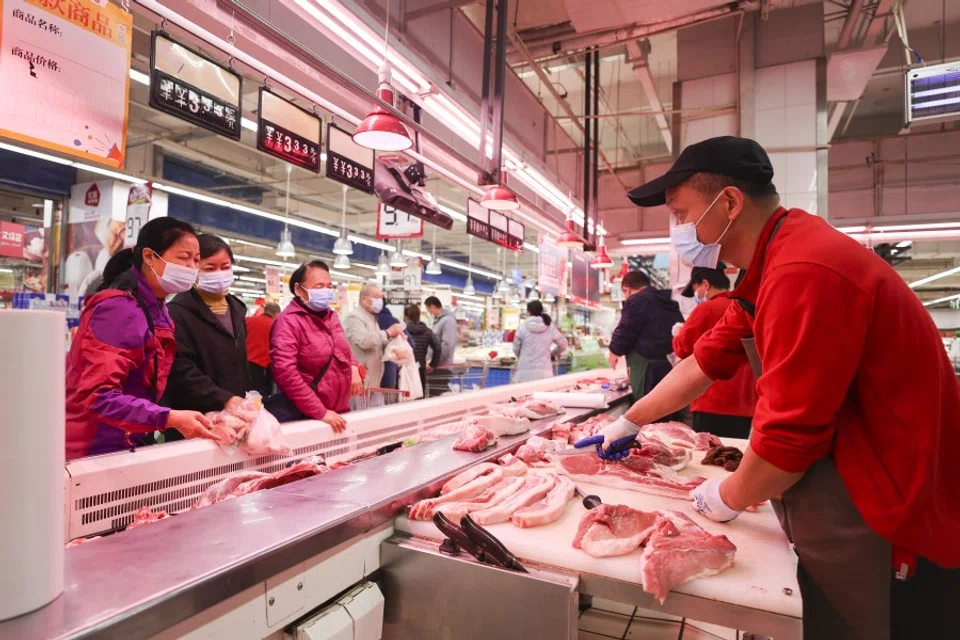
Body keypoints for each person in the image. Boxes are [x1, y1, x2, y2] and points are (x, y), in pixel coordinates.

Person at [584, 135, 960, 638]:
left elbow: (788, 441)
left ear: (730, 202)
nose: (678, 229)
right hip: (853, 485)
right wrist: (632, 419)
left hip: (891, 514)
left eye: (680, 213)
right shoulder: (769, 268)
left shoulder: (803, 269)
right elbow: (704, 362)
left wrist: (727, 497)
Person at [65, 217, 223, 460]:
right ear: (149, 257)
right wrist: (167, 418)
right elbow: (97, 395)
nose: (192, 267)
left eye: (196, 260)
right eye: (183, 258)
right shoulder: (120, 309)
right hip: (91, 449)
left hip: (123, 441)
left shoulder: (156, 308)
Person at [163, 235, 249, 432]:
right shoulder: (176, 313)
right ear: (194, 269)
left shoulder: (237, 308)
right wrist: (223, 398)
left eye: (225, 267)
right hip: (195, 420)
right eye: (210, 268)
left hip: (234, 415)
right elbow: (180, 370)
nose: (219, 274)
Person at [269, 260, 362, 431]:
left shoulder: (331, 316)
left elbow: (342, 348)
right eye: (319, 286)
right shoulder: (287, 322)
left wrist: (353, 366)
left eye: (329, 286)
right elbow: (285, 372)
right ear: (298, 289)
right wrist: (320, 412)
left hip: (336, 411)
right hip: (307, 417)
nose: (326, 291)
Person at [672, 263, 756, 439]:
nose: (697, 295)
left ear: (705, 284)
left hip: (712, 400)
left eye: (695, 289)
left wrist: (678, 332)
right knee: (732, 457)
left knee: (708, 457)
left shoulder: (705, 309)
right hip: (745, 400)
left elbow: (683, 348)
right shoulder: (743, 306)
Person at [608, 270, 683, 404]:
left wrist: (614, 351)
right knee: (666, 413)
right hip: (669, 368)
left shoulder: (635, 301)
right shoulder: (668, 301)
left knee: (649, 416)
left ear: (627, 289)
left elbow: (625, 329)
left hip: (647, 371)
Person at [343, 283, 402, 390]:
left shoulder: (372, 318)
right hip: (361, 381)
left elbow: (377, 343)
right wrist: (388, 332)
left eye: (381, 297)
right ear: (364, 299)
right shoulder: (354, 317)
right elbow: (365, 341)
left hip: (372, 380)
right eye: (376, 297)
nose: (380, 301)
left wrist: (394, 341)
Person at [513, 300, 568, 383]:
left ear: (528, 312)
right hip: (545, 374)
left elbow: (515, 348)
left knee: (524, 395)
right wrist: (552, 353)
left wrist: (522, 356)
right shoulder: (549, 327)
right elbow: (563, 344)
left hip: (524, 373)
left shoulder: (522, 327)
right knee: (542, 396)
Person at [423, 295, 458, 397]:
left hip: (441, 367)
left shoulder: (448, 321)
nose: (429, 313)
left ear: (433, 306)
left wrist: (434, 363)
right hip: (436, 366)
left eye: (429, 310)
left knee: (436, 396)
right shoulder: (439, 321)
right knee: (433, 395)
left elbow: (447, 344)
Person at [404, 303, 441, 393]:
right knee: (420, 396)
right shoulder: (427, 331)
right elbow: (438, 347)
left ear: (407, 317)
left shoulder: (403, 331)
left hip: (405, 369)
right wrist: (433, 364)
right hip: (421, 368)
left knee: (405, 398)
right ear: (419, 316)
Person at [247, 302, 280, 397]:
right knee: (262, 397)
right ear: (277, 313)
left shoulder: (248, 320)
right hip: (263, 366)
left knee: (248, 395)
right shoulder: (275, 325)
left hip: (245, 364)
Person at [377, 303, 404, 389]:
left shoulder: (370, 321)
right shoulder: (394, 321)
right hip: (389, 369)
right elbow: (411, 343)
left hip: (370, 372)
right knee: (389, 399)